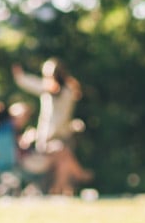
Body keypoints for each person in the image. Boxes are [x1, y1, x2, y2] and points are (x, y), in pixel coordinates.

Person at [12, 59, 92, 195]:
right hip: (46, 140)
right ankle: (78, 173)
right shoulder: (48, 92)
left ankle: (59, 191)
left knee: (63, 162)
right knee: (63, 153)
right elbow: (32, 84)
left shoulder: (67, 92)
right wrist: (21, 77)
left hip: (62, 136)